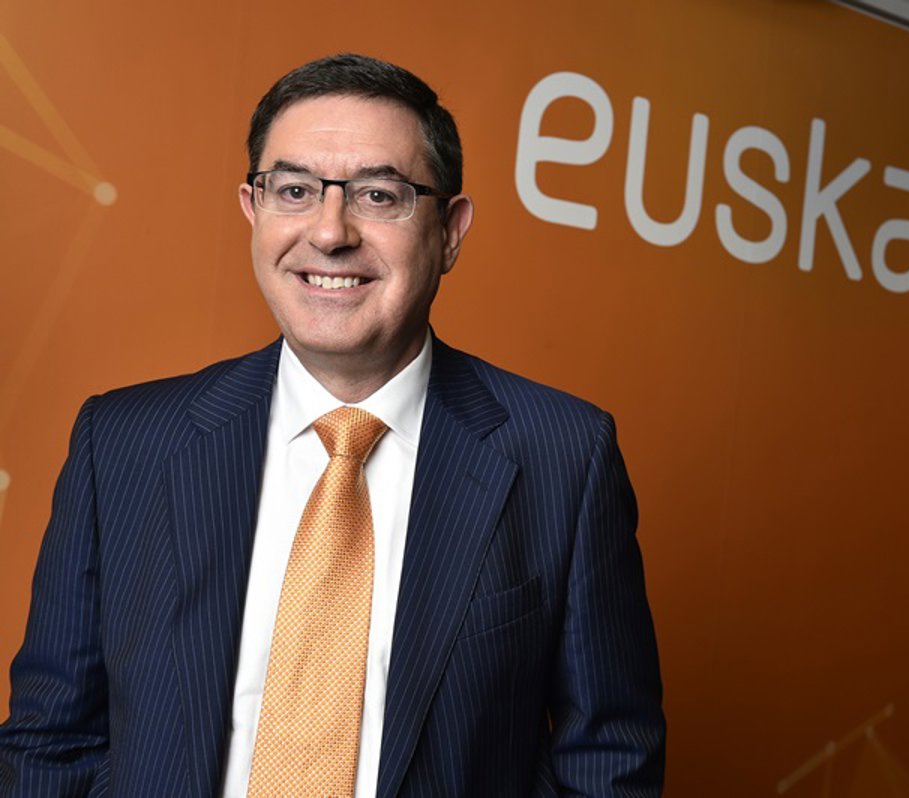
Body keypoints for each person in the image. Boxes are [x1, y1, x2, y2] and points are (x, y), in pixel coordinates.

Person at [0, 53, 665, 797]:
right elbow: (50, 744)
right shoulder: (123, 443)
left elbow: (607, 762)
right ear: (253, 211)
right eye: (294, 190)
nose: (329, 232)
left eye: (379, 195)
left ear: (450, 231)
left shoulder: (564, 457)